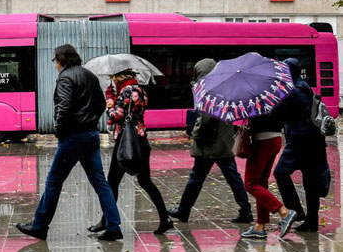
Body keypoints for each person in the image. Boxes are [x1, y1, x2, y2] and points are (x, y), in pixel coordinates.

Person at [16, 44, 123, 241]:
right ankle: (114, 225)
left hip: (73, 137)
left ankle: (39, 226)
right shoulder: (89, 75)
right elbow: (100, 104)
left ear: (60, 60)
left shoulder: (66, 77)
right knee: (100, 182)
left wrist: (59, 130)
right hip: (90, 136)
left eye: (55, 60)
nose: (55, 64)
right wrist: (89, 122)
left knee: (53, 181)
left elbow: (64, 106)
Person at [87, 69, 174, 235]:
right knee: (146, 182)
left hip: (126, 144)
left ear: (119, 77)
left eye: (113, 78)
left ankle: (107, 222)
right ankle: (165, 219)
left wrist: (110, 99)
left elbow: (115, 115)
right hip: (140, 141)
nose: (112, 81)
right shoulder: (140, 90)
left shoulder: (126, 92)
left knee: (112, 182)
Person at [167, 58, 253, 223]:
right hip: (224, 142)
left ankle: (183, 211)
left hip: (209, 144)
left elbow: (206, 118)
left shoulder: (208, 90)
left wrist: (196, 134)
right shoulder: (227, 87)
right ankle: (246, 210)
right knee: (233, 178)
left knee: (196, 178)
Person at [272, 58, 328, 233]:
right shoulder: (304, 87)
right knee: (310, 183)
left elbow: (277, 115)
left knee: (280, 172)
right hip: (314, 140)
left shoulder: (292, 92)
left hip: (299, 141)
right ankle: (311, 222)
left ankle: (295, 211)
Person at [240, 114, 297, 239]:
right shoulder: (271, 96)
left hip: (262, 140)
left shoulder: (256, 97)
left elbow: (260, 121)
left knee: (250, 184)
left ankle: (284, 212)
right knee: (261, 182)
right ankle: (260, 225)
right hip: (276, 138)